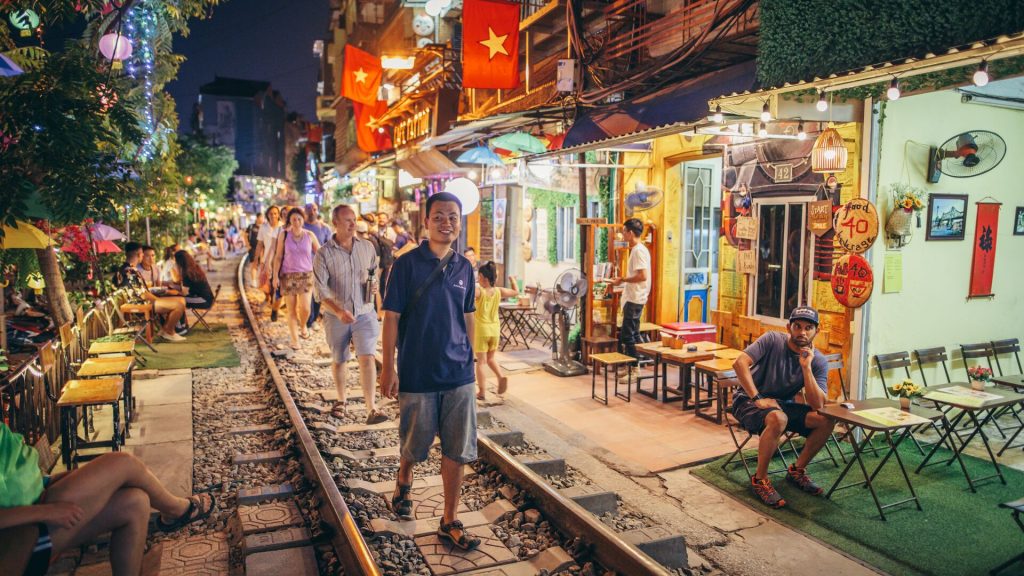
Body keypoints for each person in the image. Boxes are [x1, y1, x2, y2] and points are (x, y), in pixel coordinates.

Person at [381, 191, 480, 551]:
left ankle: (449, 519)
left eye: (453, 217)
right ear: (426, 222)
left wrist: (472, 358)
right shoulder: (406, 265)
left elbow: (468, 316)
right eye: (439, 216)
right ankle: (405, 477)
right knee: (415, 442)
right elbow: (390, 316)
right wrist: (388, 366)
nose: (447, 223)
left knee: (457, 449)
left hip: (459, 375)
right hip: (418, 372)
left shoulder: (465, 267)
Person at [0, 423, 214, 576]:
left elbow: (14, 477)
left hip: (39, 504)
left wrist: (51, 480)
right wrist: (46, 512)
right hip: (22, 537)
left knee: (134, 502)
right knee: (123, 463)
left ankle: (175, 511)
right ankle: (177, 510)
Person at [731, 306, 835, 509]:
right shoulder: (772, 340)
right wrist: (757, 397)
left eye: (808, 327)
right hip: (748, 401)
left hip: (782, 406)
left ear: (817, 331)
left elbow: (818, 405)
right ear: (789, 327)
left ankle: (797, 471)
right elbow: (739, 363)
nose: (802, 332)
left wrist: (806, 368)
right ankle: (759, 480)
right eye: (797, 326)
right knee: (779, 418)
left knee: (825, 419)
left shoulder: (818, 361)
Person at [313, 205, 388, 425]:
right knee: (340, 358)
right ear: (335, 223)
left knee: (367, 356)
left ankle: (371, 408)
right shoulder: (324, 253)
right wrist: (338, 310)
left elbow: (374, 273)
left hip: (365, 313)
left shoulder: (367, 247)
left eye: (354, 219)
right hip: (336, 316)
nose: (352, 224)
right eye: (347, 220)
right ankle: (341, 399)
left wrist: (373, 287)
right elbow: (319, 290)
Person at [114, 242, 188, 342]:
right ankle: (168, 331)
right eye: (143, 254)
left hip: (140, 301)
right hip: (141, 304)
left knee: (181, 300)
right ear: (139, 254)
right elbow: (143, 295)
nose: (143, 256)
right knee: (179, 305)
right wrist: (158, 300)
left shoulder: (125, 269)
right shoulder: (130, 271)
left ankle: (166, 330)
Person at [272, 207, 321, 349]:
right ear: (290, 221)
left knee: (305, 308)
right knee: (291, 309)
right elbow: (278, 257)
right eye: (294, 219)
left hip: (306, 275)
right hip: (288, 276)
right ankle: (295, 340)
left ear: (303, 220)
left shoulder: (309, 235)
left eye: (299, 218)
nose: (297, 221)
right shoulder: (284, 235)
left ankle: (304, 325)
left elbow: (320, 253)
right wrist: (275, 276)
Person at [474, 261, 517, 400]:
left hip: (482, 330)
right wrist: (513, 280)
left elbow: (464, 293)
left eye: (479, 277)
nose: (478, 279)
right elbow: (515, 292)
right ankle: (501, 376)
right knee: (491, 358)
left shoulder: (480, 291)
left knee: (481, 362)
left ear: (483, 277)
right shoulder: (499, 291)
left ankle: (481, 392)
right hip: (495, 329)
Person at [608, 218, 650, 361]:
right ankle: (640, 362)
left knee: (627, 335)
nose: (623, 235)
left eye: (624, 232)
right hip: (635, 297)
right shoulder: (639, 249)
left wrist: (623, 279)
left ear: (630, 233)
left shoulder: (638, 251)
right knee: (634, 333)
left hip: (635, 298)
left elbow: (643, 276)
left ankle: (634, 368)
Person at [304, 204, 333, 332]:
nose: (312, 212)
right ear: (305, 211)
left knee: (318, 294)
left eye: (314, 209)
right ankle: (308, 321)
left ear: (317, 211)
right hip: (304, 267)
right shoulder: (302, 227)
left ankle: (314, 318)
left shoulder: (324, 228)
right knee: (307, 295)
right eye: (309, 210)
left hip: (321, 266)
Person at [255, 206, 283, 321]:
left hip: (280, 260)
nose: (273, 215)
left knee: (277, 285)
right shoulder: (263, 227)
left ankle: (275, 309)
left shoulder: (282, 227)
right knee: (264, 284)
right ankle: (268, 298)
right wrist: (256, 259)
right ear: (267, 215)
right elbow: (260, 244)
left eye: (275, 213)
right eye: (271, 213)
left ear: (278, 214)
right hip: (266, 259)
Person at [246, 213, 265, 287]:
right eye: (260, 217)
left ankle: (260, 281)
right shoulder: (251, 226)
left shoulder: (265, 226)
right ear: (257, 218)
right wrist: (247, 245)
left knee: (262, 264)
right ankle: (254, 281)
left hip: (263, 248)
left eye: (262, 217)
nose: (262, 219)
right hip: (253, 248)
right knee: (254, 264)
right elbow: (245, 235)